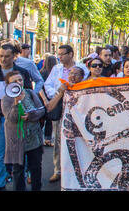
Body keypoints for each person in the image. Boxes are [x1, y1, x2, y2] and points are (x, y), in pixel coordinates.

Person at [0, 44, 33, 191]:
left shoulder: (22, 72)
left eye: (6, 56)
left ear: (14, 56)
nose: (3, 59)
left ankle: (20, 182)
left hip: (17, 118)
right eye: (0, 56)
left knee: (19, 153)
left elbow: (29, 93)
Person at [43, 44, 88, 183]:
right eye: (59, 54)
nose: (60, 57)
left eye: (62, 54)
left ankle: (78, 169)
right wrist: (57, 93)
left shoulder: (83, 68)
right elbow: (47, 84)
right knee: (58, 139)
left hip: (78, 109)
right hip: (59, 106)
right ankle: (58, 170)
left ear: (71, 54)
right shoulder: (56, 69)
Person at [1, 71, 45, 191]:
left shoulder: (30, 93)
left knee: (36, 168)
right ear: (8, 84)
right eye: (14, 81)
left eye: (20, 80)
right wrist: (16, 103)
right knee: (18, 170)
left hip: (33, 138)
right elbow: (11, 118)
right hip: (16, 140)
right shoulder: (6, 98)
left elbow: (41, 110)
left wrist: (30, 116)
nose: (18, 83)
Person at [39, 55, 58, 147]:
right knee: (50, 120)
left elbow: (39, 87)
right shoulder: (54, 73)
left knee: (42, 120)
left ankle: (40, 138)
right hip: (52, 98)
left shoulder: (42, 72)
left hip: (41, 98)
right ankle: (48, 138)